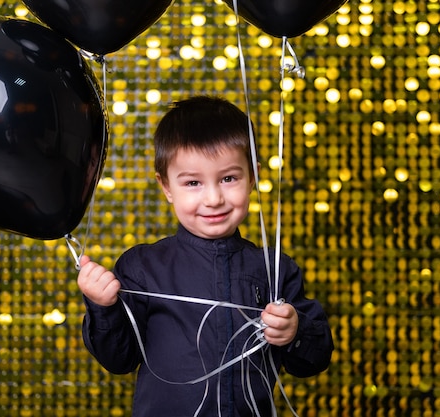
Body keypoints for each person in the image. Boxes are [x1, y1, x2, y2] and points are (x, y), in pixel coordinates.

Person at [77, 96, 334, 417]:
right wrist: (104, 308)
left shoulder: (276, 269)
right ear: (167, 186)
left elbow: (315, 359)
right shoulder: (141, 267)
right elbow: (118, 360)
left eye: (229, 178)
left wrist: (295, 332)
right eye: (193, 183)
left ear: (252, 176)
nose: (213, 199)